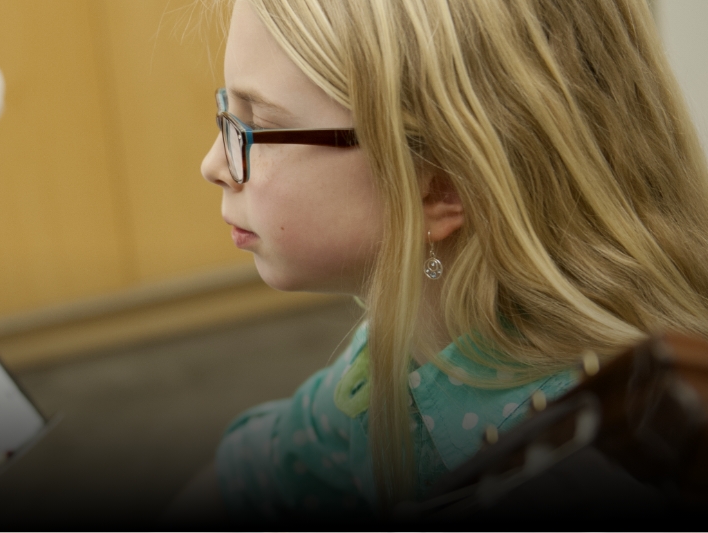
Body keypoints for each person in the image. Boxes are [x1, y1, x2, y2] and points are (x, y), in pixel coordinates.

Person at [166, 0, 708, 526]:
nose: (213, 164)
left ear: (438, 187)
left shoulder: (584, 467)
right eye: (226, 113)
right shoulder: (414, 342)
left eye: (253, 125)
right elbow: (254, 478)